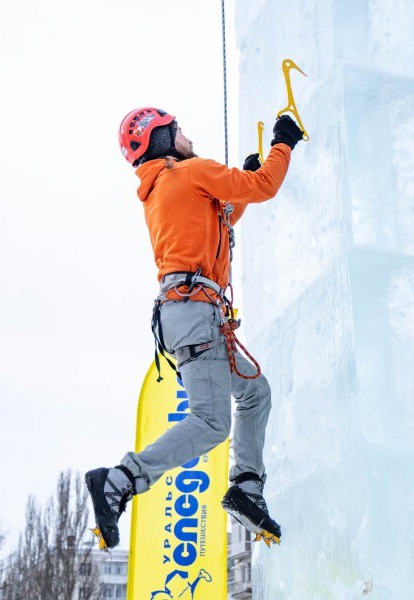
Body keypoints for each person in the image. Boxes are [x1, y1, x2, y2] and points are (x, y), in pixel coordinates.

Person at [85, 107, 304, 551]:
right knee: (210, 421)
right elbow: (265, 187)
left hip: (190, 314)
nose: (187, 136)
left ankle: (246, 485)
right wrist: (284, 142)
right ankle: (121, 479)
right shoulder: (189, 173)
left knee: (254, 392)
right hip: (195, 312)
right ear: (162, 139)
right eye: (178, 130)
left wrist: (238, 184)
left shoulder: (165, 186)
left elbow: (219, 219)